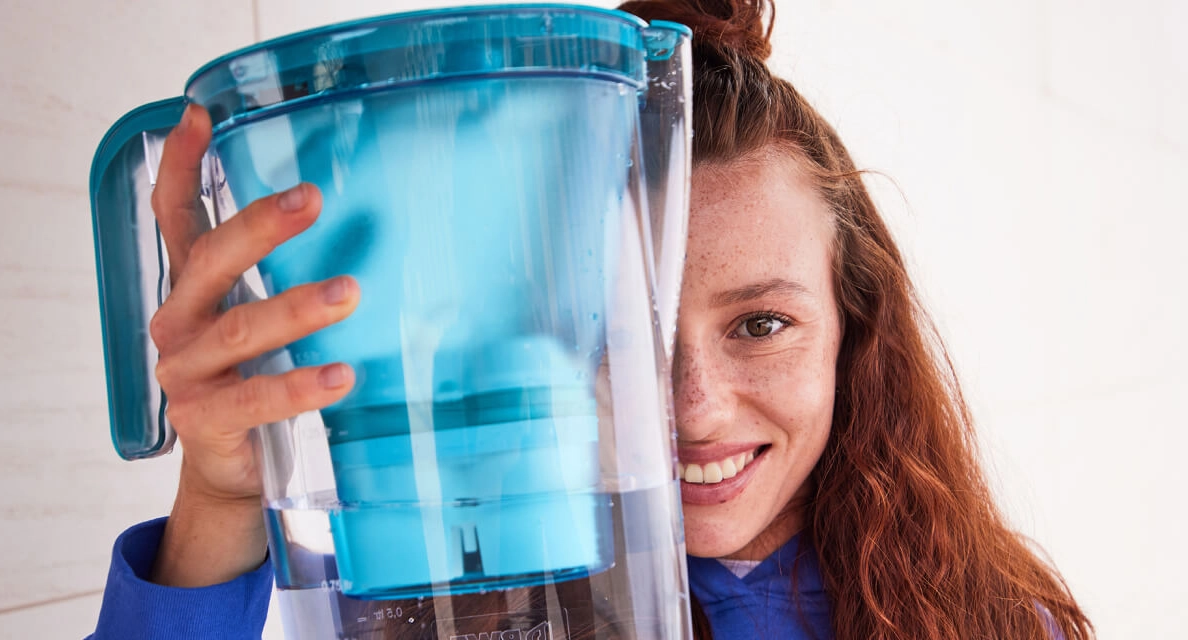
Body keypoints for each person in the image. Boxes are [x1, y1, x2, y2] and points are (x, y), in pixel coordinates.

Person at [89, 1, 1093, 638]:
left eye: (759, 325)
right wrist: (222, 500)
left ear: (851, 328)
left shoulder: (995, 624)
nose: (692, 409)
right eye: (618, 335)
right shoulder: (463, 616)